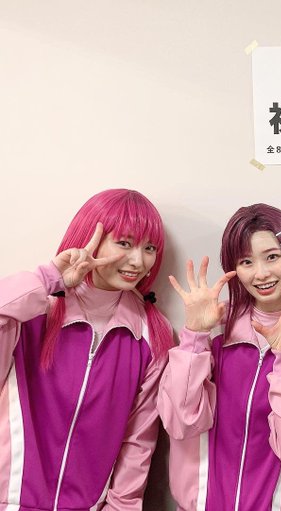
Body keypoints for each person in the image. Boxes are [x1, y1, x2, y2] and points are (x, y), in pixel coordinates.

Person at [158, 203, 281, 511]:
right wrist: (194, 336)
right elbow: (180, 423)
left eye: (272, 257)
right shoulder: (215, 329)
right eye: (246, 261)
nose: (261, 273)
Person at [0, 188, 173, 510]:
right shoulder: (34, 310)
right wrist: (49, 278)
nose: (138, 261)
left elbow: (138, 440)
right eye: (125, 243)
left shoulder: (151, 334)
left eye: (149, 248)